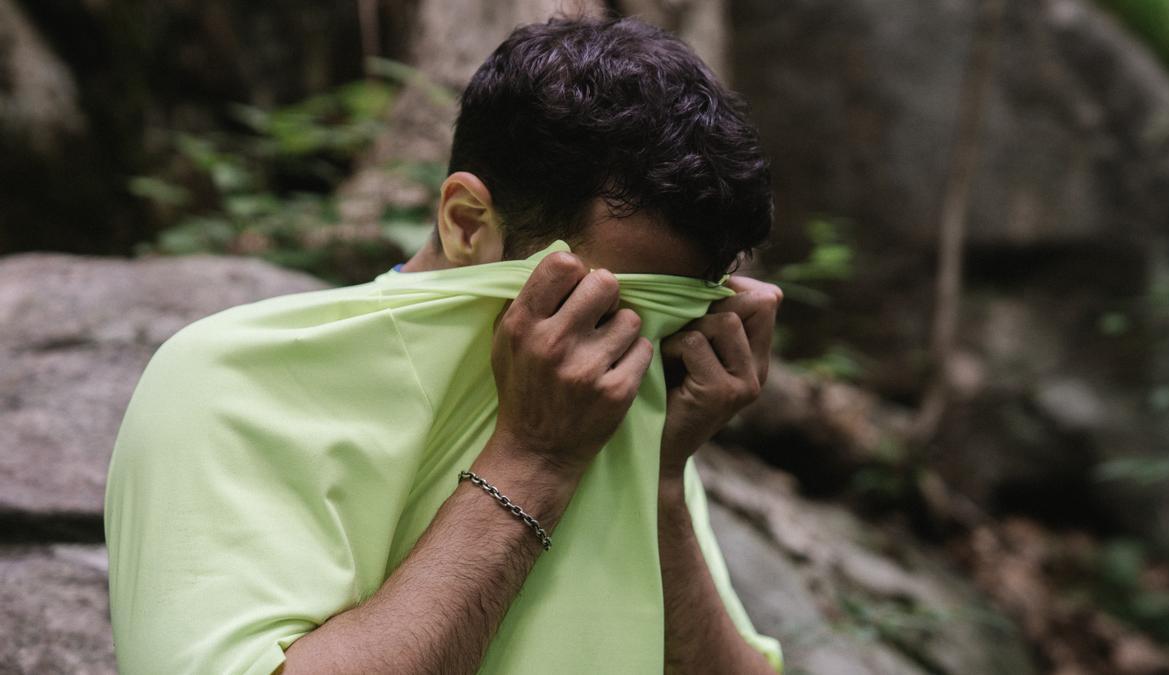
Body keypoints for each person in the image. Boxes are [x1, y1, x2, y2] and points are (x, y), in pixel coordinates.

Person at [105, 15, 784, 675]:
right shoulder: (226, 384)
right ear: (466, 223)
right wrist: (534, 459)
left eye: (680, 313)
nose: (638, 346)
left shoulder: (610, 394)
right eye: (613, 308)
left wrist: (664, 478)